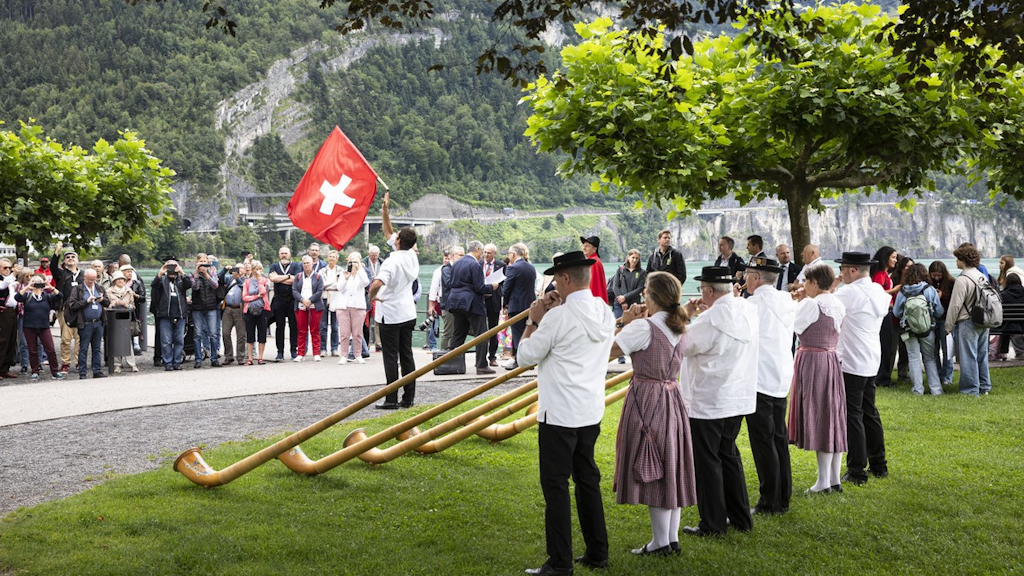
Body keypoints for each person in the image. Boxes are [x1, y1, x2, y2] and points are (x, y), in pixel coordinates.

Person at [516, 251, 615, 576]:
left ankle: (560, 561)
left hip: (559, 413)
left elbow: (525, 356)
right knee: (587, 479)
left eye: (557, 278)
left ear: (567, 279)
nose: (554, 283)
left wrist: (534, 319)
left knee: (556, 486)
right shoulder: (604, 311)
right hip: (589, 408)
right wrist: (553, 311)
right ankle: (597, 551)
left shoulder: (557, 318)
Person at [609, 271, 696, 556]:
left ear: (651, 295)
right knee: (669, 462)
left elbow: (606, 351)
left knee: (654, 464)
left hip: (647, 398)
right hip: (673, 396)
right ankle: (669, 538)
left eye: (645, 290)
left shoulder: (643, 328)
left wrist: (624, 322)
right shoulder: (681, 324)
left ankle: (661, 542)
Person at [679, 266, 758, 537]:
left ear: (709, 291)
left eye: (703, 289)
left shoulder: (709, 320)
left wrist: (686, 317)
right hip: (737, 395)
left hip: (708, 399)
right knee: (729, 455)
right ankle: (740, 517)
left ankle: (712, 523)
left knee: (708, 462)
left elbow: (682, 346)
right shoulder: (747, 310)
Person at [742, 257, 797, 513]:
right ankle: (783, 495)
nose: (743, 280)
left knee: (763, 442)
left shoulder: (752, 304)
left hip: (759, 378)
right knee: (778, 438)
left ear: (756, 278)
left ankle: (769, 500)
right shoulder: (786, 300)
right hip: (781, 375)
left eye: (746, 275)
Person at [833, 252, 891, 486]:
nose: (840, 273)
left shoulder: (848, 292)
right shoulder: (878, 290)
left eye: (843, 269)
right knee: (869, 411)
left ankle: (857, 469)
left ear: (853, 271)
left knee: (853, 414)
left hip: (851, 359)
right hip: (871, 357)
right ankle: (879, 463)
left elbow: (827, 310)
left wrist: (834, 286)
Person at [789, 265, 847, 494]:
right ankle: (834, 478)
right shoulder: (837, 302)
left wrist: (796, 302)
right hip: (831, 359)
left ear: (814, 283)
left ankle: (823, 481)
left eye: (806, 282)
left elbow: (793, 326)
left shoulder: (811, 304)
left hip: (813, 360)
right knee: (833, 416)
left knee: (821, 416)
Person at [368, 227, 420, 409]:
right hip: (408, 312)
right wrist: (384, 212)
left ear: (398, 241)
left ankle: (391, 399)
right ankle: (408, 398)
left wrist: (371, 296)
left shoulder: (391, 262)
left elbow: (377, 283)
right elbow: (388, 232)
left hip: (390, 314)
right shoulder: (412, 256)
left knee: (391, 357)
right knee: (407, 355)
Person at [945, 243, 992, 396]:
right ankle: (984, 386)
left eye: (957, 258)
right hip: (984, 320)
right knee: (981, 354)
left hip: (967, 321)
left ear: (962, 259)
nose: (956, 262)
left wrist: (948, 325)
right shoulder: (982, 276)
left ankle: (970, 389)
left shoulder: (963, 279)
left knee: (968, 356)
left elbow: (955, 305)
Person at [447, 241, 500, 376]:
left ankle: (451, 363)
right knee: (482, 334)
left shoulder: (456, 263)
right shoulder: (474, 265)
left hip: (455, 301)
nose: (482, 255)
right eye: (482, 251)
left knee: (458, 333)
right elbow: (479, 287)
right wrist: (492, 287)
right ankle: (481, 365)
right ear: (477, 250)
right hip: (471, 302)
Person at [893, 263, 945, 395]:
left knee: (913, 357)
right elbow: (939, 312)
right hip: (927, 329)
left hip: (908, 329)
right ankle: (936, 389)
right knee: (930, 358)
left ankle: (917, 389)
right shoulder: (930, 290)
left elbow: (896, 313)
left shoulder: (903, 291)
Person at [14, 274, 64, 381]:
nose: (36, 283)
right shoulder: (27, 296)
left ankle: (55, 371)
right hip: (29, 326)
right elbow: (17, 297)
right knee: (32, 350)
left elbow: (60, 296)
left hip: (44, 326)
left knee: (50, 349)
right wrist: (28, 287)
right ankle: (35, 371)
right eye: (34, 281)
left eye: (38, 281)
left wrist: (50, 286)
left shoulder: (47, 296)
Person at [66, 268, 110, 379]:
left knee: (97, 348)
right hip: (85, 323)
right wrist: (86, 301)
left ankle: (97, 370)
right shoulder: (78, 289)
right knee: (83, 348)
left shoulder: (99, 288)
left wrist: (101, 300)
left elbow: (107, 302)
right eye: (90, 279)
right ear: (84, 278)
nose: (92, 282)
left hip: (98, 322)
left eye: (94, 279)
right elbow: (72, 304)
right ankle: (82, 372)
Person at [151, 260, 192, 371]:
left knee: (179, 340)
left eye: (174, 267)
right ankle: (167, 362)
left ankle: (177, 362)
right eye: (170, 267)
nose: (172, 271)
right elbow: (154, 285)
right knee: (166, 341)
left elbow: (189, 284)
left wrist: (182, 272)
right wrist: (161, 272)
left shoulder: (181, 280)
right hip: (165, 315)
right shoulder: (162, 280)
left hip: (180, 314)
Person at [502, 243, 537, 370]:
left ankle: (519, 360)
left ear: (513, 254)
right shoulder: (531, 267)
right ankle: (529, 361)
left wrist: (504, 304)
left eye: (509, 254)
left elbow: (506, 288)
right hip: (529, 305)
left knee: (517, 335)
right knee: (527, 334)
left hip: (516, 305)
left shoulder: (513, 268)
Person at [50, 242, 83, 373]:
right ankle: (65, 363)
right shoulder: (61, 274)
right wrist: (57, 251)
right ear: (64, 261)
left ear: (77, 260)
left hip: (81, 310)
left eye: (73, 257)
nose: (70, 259)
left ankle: (79, 362)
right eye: (67, 257)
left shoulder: (83, 275)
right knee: (65, 338)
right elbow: (52, 267)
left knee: (80, 338)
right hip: (65, 309)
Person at [870, 246, 900, 387]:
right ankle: (882, 378)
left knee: (887, 345)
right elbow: (877, 292)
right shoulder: (880, 274)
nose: (895, 260)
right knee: (885, 345)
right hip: (884, 312)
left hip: (888, 310)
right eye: (893, 257)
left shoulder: (884, 274)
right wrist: (895, 289)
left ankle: (883, 376)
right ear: (885, 258)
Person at [611, 249, 647, 363]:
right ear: (628, 257)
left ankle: (634, 354)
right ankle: (619, 356)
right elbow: (615, 286)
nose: (634, 260)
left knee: (634, 330)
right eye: (633, 258)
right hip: (619, 304)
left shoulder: (641, 272)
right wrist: (622, 301)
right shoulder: (620, 270)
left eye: (637, 258)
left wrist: (625, 298)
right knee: (620, 326)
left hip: (634, 304)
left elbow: (639, 289)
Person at [268, 246, 301, 362]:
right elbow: (273, 279)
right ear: (279, 254)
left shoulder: (296, 266)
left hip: (292, 299)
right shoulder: (274, 266)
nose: (284, 255)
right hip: (279, 299)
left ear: (290, 254)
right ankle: (280, 352)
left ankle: (293, 350)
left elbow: (296, 280)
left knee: (294, 326)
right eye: (282, 253)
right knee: (279, 326)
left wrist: (279, 278)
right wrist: (288, 277)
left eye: (286, 253)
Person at [337, 252, 370, 365]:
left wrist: (359, 269)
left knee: (357, 333)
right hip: (344, 306)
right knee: (344, 333)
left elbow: (366, 283)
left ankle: (358, 354)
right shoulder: (343, 273)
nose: (353, 264)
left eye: (355, 261)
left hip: (358, 306)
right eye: (351, 262)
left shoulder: (362, 274)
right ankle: (344, 355)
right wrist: (346, 278)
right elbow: (340, 288)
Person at [190, 253, 221, 368]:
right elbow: (195, 287)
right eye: (201, 261)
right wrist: (197, 273)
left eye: (205, 261)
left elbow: (215, 285)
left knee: (213, 334)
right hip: (197, 307)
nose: (203, 264)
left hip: (211, 307)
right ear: (197, 262)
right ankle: (198, 359)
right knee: (197, 334)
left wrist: (207, 274)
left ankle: (214, 358)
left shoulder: (212, 272)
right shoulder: (193, 274)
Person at [292, 255, 325, 362]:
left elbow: (320, 291)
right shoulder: (298, 277)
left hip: (315, 306)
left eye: (308, 263)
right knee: (301, 330)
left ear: (312, 264)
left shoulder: (318, 277)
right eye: (304, 263)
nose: (306, 265)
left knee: (315, 330)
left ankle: (316, 353)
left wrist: (310, 300)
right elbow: (294, 291)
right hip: (301, 305)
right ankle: (300, 353)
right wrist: (302, 300)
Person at [928, 261, 956, 385]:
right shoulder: (928, 284)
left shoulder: (951, 282)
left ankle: (947, 377)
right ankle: (937, 375)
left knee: (947, 350)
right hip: (932, 319)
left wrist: (942, 295)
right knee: (933, 350)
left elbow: (955, 300)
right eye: (934, 275)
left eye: (939, 275)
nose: (936, 278)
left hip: (946, 319)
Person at [105, 271, 139, 374]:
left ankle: (132, 364)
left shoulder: (129, 291)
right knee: (115, 341)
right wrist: (113, 304)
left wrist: (126, 305)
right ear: (114, 281)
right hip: (113, 319)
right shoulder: (108, 291)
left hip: (125, 319)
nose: (121, 281)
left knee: (127, 342)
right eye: (118, 279)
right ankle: (117, 365)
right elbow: (106, 306)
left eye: (122, 279)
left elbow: (133, 306)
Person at [481, 243, 506, 367]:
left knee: (493, 329)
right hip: (481, 300)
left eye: (489, 253)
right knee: (480, 329)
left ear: (494, 254)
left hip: (494, 300)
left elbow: (505, 284)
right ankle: (480, 356)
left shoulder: (501, 265)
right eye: (484, 252)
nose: (486, 255)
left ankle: (492, 356)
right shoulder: (478, 264)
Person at [242, 261, 271, 365]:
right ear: (253, 270)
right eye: (256, 269)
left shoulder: (265, 280)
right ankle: (250, 358)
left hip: (262, 309)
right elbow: (245, 297)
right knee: (250, 333)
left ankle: (260, 357)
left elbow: (263, 292)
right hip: (250, 309)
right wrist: (255, 297)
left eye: (260, 269)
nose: (258, 271)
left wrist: (259, 280)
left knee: (262, 333)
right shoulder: (247, 282)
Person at [0, 259, 25, 379]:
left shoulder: (12, 279)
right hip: (3, 312)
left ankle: (5, 369)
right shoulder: (4, 279)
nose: (8, 270)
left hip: (13, 312)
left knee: (11, 341)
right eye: (5, 268)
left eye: (9, 268)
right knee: (2, 341)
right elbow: (2, 285)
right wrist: (13, 274)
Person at [220, 264, 247, 366]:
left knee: (241, 335)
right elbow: (220, 279)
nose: (238, 270)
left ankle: (240, 356)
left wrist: (238, 279)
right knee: (225, 333)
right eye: (236, 268)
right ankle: (229, 356)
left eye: (240, 268)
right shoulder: (229, 279)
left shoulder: (246, 280)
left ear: (244, 270)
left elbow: (244, 288)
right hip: (228, 308)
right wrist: (225, 270)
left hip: (239, 309)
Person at [319, 250, 344, 357]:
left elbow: (340, 284)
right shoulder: (322, 271)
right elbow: (321, 285)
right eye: (330, 256)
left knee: (335, 326)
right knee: (323, 325)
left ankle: (334, 348)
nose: (332, 258)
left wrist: (331, 285)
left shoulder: (341, 270)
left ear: (337, 259)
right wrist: (333, 283)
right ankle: (323, 348)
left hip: (336, 299)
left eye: (334, 257)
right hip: (324, 298)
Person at [438, 246, 463, 351]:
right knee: (448, 332)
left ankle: (453, 354)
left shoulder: (460, 268)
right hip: (448, 305)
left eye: (463, 255)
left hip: (458, 305)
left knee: (457, 331)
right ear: (453, 256)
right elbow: (449, 283)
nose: (463, 257)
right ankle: (442, 355)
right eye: (460, 255)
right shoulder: (446, 269)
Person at [425, 249, 449, 352]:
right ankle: (433, 345)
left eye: (448, 258)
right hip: (438, 301)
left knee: (448, 326)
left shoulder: (454, 269)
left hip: (448, 302)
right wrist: (431, 305)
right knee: (434, 324)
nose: (446, 260)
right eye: (445, 258)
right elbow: (433, 288)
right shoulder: (438, 271)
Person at [997, 275, 1024, 359]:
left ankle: (1003, 352)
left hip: (1006, 325)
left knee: (1008, 323)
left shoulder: (1003, 295)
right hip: (1021, 324)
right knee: (1012, 323)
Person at [121, 265, 146, 356]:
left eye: (131, 272)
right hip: (122, 312)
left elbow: (143, 298)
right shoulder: (119, 284)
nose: (130, 274)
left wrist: (136, 296)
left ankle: (135, 345)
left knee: (134, 329)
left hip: (134, 312)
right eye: (127, 272)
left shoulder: (137, 283)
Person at [363, 244, 384, 352]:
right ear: (369, 255)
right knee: (366, 321)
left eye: (376, 256)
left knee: (378, 320)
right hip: (367, 293)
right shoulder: (364, 263)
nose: (374, 258)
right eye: (372, 256)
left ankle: (378, 343)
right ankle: (366, 344)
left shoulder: (382, 262)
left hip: (379, 293)